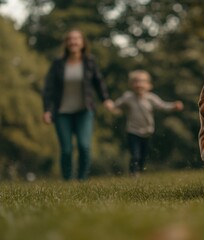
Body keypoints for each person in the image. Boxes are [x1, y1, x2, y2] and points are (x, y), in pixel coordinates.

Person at [42, 29, 113, 180]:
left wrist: (105, 99)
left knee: (84, 146)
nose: (73, 42)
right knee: (66, 149)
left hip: (84, 110)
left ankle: (82, 180)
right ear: (66, 43)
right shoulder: (58, 63)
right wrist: (47, 110)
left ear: (82, 43)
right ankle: (67, 181)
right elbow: (49, 87)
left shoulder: (90, 61)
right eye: (70, 39)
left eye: (77, 39)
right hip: (62, 112)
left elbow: (98, 82)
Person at [107, 70, 183, 175]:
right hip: (132, 131)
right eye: (136, 82)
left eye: (142, 82)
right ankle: (134, 174)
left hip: (147, 132)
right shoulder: (128, 97)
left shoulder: (151, 98)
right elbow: (116, 105)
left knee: (143, 155)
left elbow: (163, 106)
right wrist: (111, 105)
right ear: (131, 84)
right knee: (135, 155)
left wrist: (174, 106)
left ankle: (139, 171)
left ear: (149, 85)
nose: (139, 84)